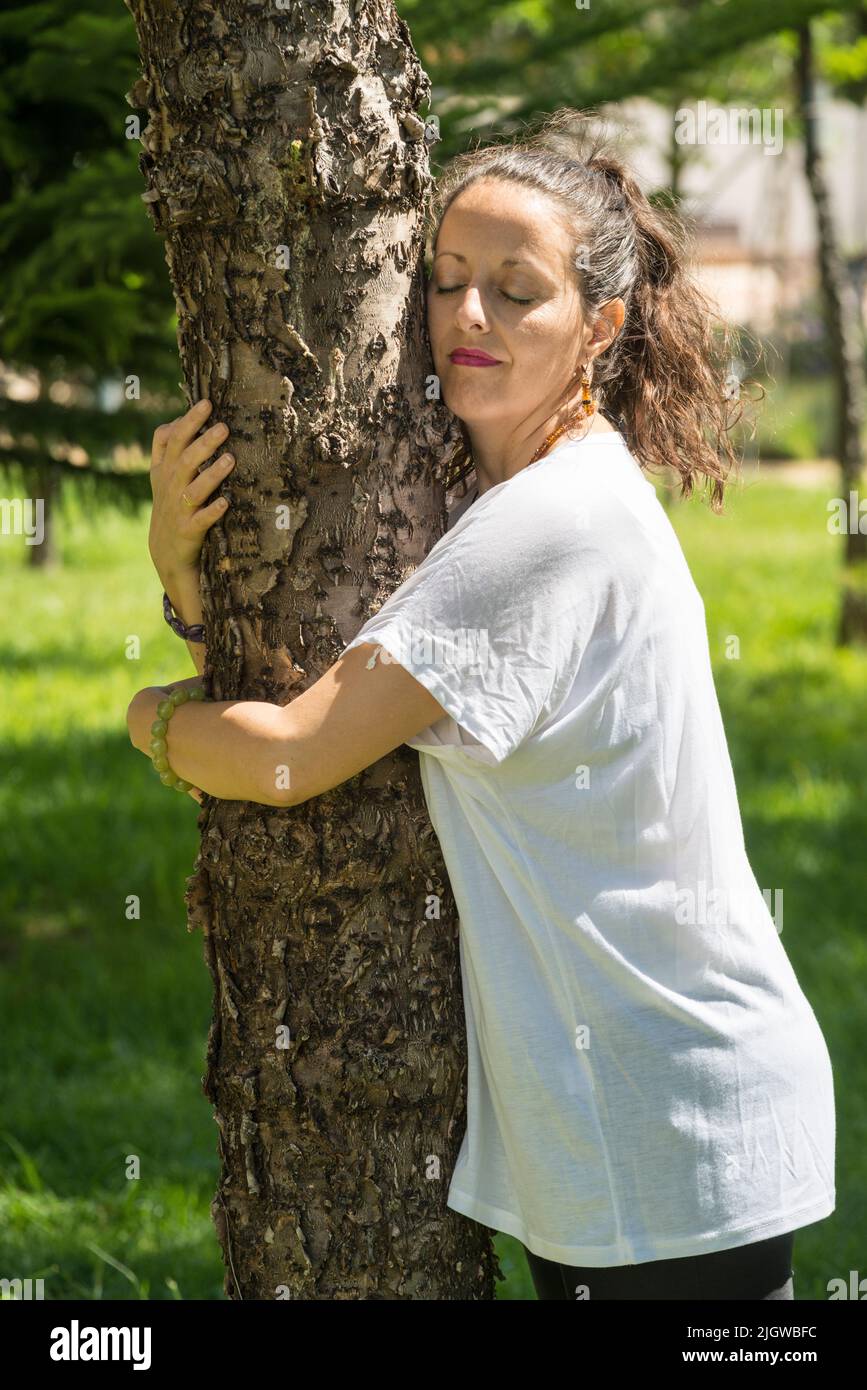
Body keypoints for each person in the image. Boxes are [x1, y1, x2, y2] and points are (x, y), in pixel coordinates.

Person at [134, 109, 835, 1300]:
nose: (468, 316)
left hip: (667, 1137)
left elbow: (292, 756)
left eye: (517, 292)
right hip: (656, 1123)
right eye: (448, 281)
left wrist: (144, 716)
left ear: (599, 327)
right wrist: (188, 584)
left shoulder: (543, 526)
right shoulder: (556, 496)